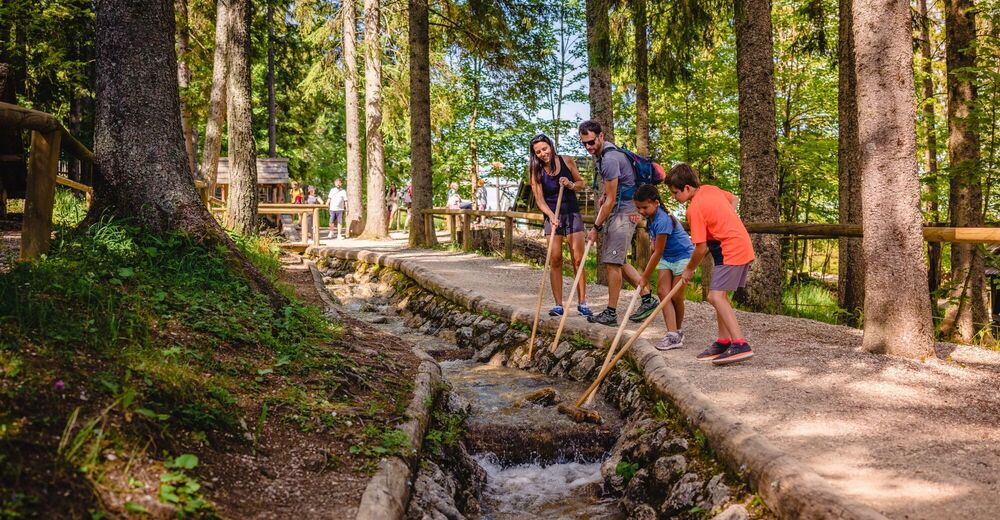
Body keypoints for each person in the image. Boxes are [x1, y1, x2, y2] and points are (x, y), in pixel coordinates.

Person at [667, 163, 755, 365]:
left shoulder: (694, 209)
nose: (674, 197)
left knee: (714, 296)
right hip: (738, 245)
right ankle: (723, 341)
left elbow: (699, 248)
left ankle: (740, 343)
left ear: (687, 188)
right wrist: (725, 220)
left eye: (675, 193)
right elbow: (734, 199)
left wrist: (688, 270)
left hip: (730, 249)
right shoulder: (710, 189)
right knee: (720, 296)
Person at [580, 120, 657, 326]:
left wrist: (595, 228)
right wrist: (606, 195)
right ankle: (648, 299)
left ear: (601, 136)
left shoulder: (609, 159)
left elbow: (612, 201)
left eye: (591, 142)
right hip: (624, 208)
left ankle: (611, 313)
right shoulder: (606, 154)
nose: (588, 147)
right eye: (584, 143)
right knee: (619, 259)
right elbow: (616, 189)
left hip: (624, 212)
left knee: (613, 263)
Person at [528, 134, 592, 317]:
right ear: (535, 154)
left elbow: (581, 183)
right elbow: (539, 199)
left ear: (551, 146)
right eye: (538, 151)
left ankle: (582, 302)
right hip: (552, 215)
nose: (542, 153)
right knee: (555, 258)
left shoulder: (566, 160)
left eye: (544, 148)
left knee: (578, 259)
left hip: (572, 214)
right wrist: (550, 215)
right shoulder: (535, 170)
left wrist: (570, 184)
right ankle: (558, 304)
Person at [633, 184, 694, 351]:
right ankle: (672, 333)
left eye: (645, 207)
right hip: (668, 257)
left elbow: (657, 253)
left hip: (683, 256)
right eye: (638, 207)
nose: (641, 211)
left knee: (675, 295)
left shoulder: (662, 220)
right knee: (662, 292)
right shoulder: (652, 219)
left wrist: (644, 277)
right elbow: (658, 247)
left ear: (656, 202)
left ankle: (677, 332)